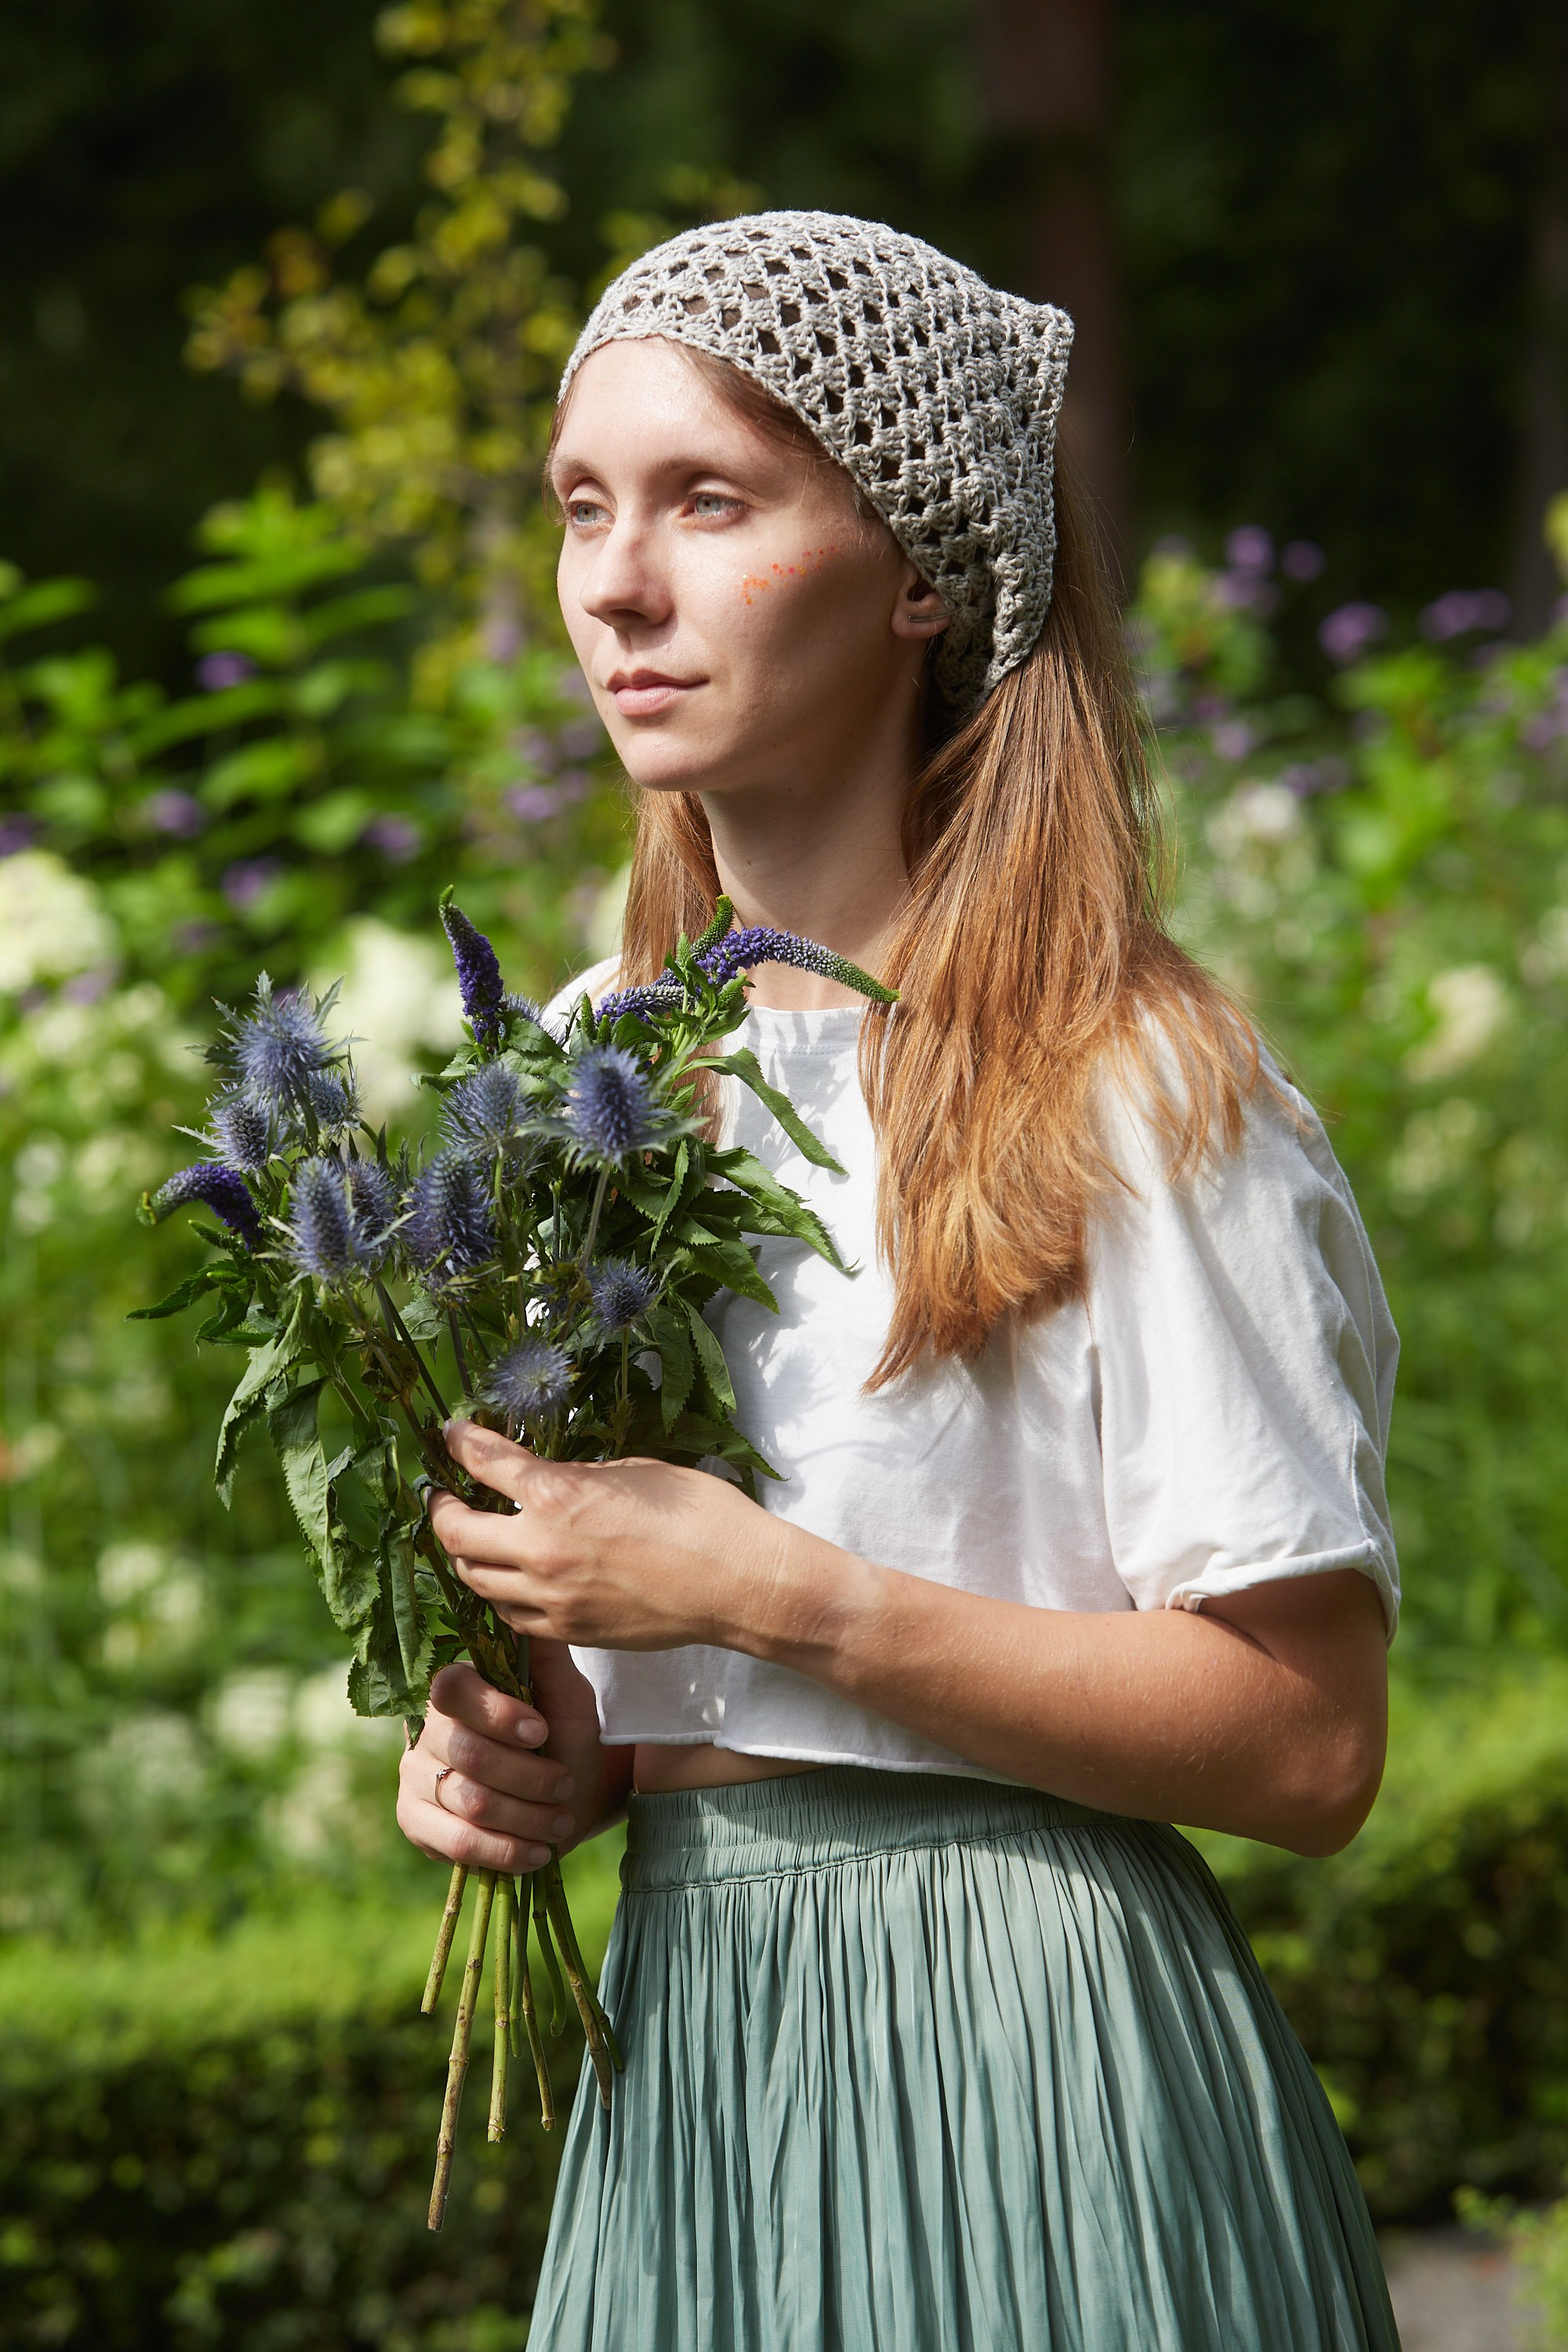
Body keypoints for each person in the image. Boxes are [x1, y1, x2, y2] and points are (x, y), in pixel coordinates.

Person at [397, 212, 1402, 2350]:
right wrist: (545, 1765)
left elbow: (1311, 1744)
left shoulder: (1128, 1087)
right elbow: (646, 1692)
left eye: (709, 500)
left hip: (1041, 2081)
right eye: (585, 506)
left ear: (928, 571)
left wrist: (775, 1595)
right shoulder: (579, 1083)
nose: (615, 582)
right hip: (697, 2085)